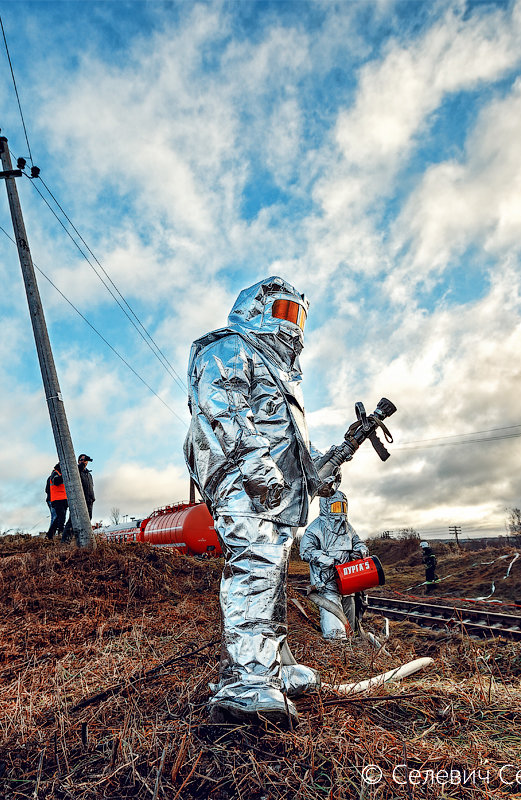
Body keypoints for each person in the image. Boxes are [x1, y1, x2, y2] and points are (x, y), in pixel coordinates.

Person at [184, 276, 324, 725]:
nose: (292, 325)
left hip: (276, 494)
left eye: (299, 315)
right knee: (254, 569)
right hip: (243, 485)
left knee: (273, 572)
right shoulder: (230, 346)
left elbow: (289, 443)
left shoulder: (282, 373)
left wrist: (318, 468)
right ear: (256, 308)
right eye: (284, 312)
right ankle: (245, 682)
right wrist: (258, 470)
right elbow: (222, 408)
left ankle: (274, 665)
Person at [299, 487, 368, 638]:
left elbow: (358, 542)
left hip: (348, 581)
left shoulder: (348, 527)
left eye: (343, 506)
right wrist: (328, 560)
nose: (340, 511)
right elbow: (305, 551)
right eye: (336, 506)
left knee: (352, 624)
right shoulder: (315, 528)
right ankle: (336, 644)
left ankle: (351, 647)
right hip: (326, 583)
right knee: (335, 628)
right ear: (326, 506)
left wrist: (361, 551)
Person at [62, 454, 96, 542]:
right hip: (79, 500)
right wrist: (81, 466)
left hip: (89, 500)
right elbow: (76, 471)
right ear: (78, 461)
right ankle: (65, 541)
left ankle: (82, 541)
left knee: (88, 520)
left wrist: (92, 498)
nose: (83, 462)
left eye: (85, 460)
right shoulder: (76, 471)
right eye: (81, 460)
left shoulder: (88, 474)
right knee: (72, 521)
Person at [45, 463, 69, 541]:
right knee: (60, 517)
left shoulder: (59, 473)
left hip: (63, 499)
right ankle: (59, 533)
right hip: (57, 499)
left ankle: (51, 534)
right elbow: (56, 481)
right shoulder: (55, 473)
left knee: (59, 518)